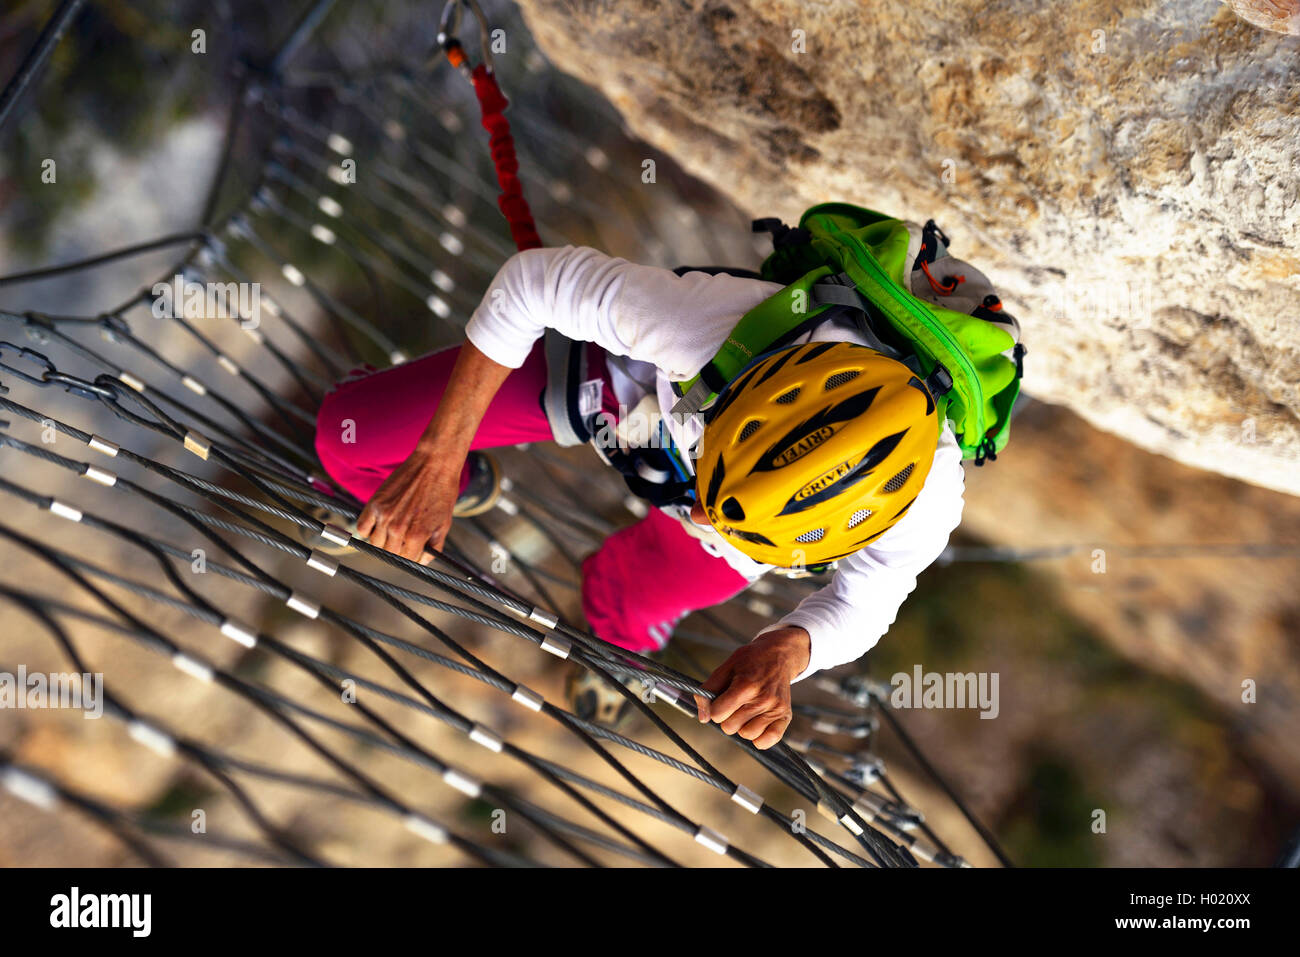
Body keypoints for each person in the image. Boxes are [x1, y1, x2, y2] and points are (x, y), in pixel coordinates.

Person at [314, 243, 969, 750]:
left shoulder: (927, 499)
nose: (701, 516)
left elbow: (866, 602)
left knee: (627, 602)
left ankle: (617, 639)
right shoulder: (710, 326)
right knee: (347, 439)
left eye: (726, 519)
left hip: (688, 438)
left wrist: (790, 648)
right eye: (719, 490)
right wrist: (439, 455)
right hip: (631, 390)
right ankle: (461, 480)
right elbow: (531, 283)